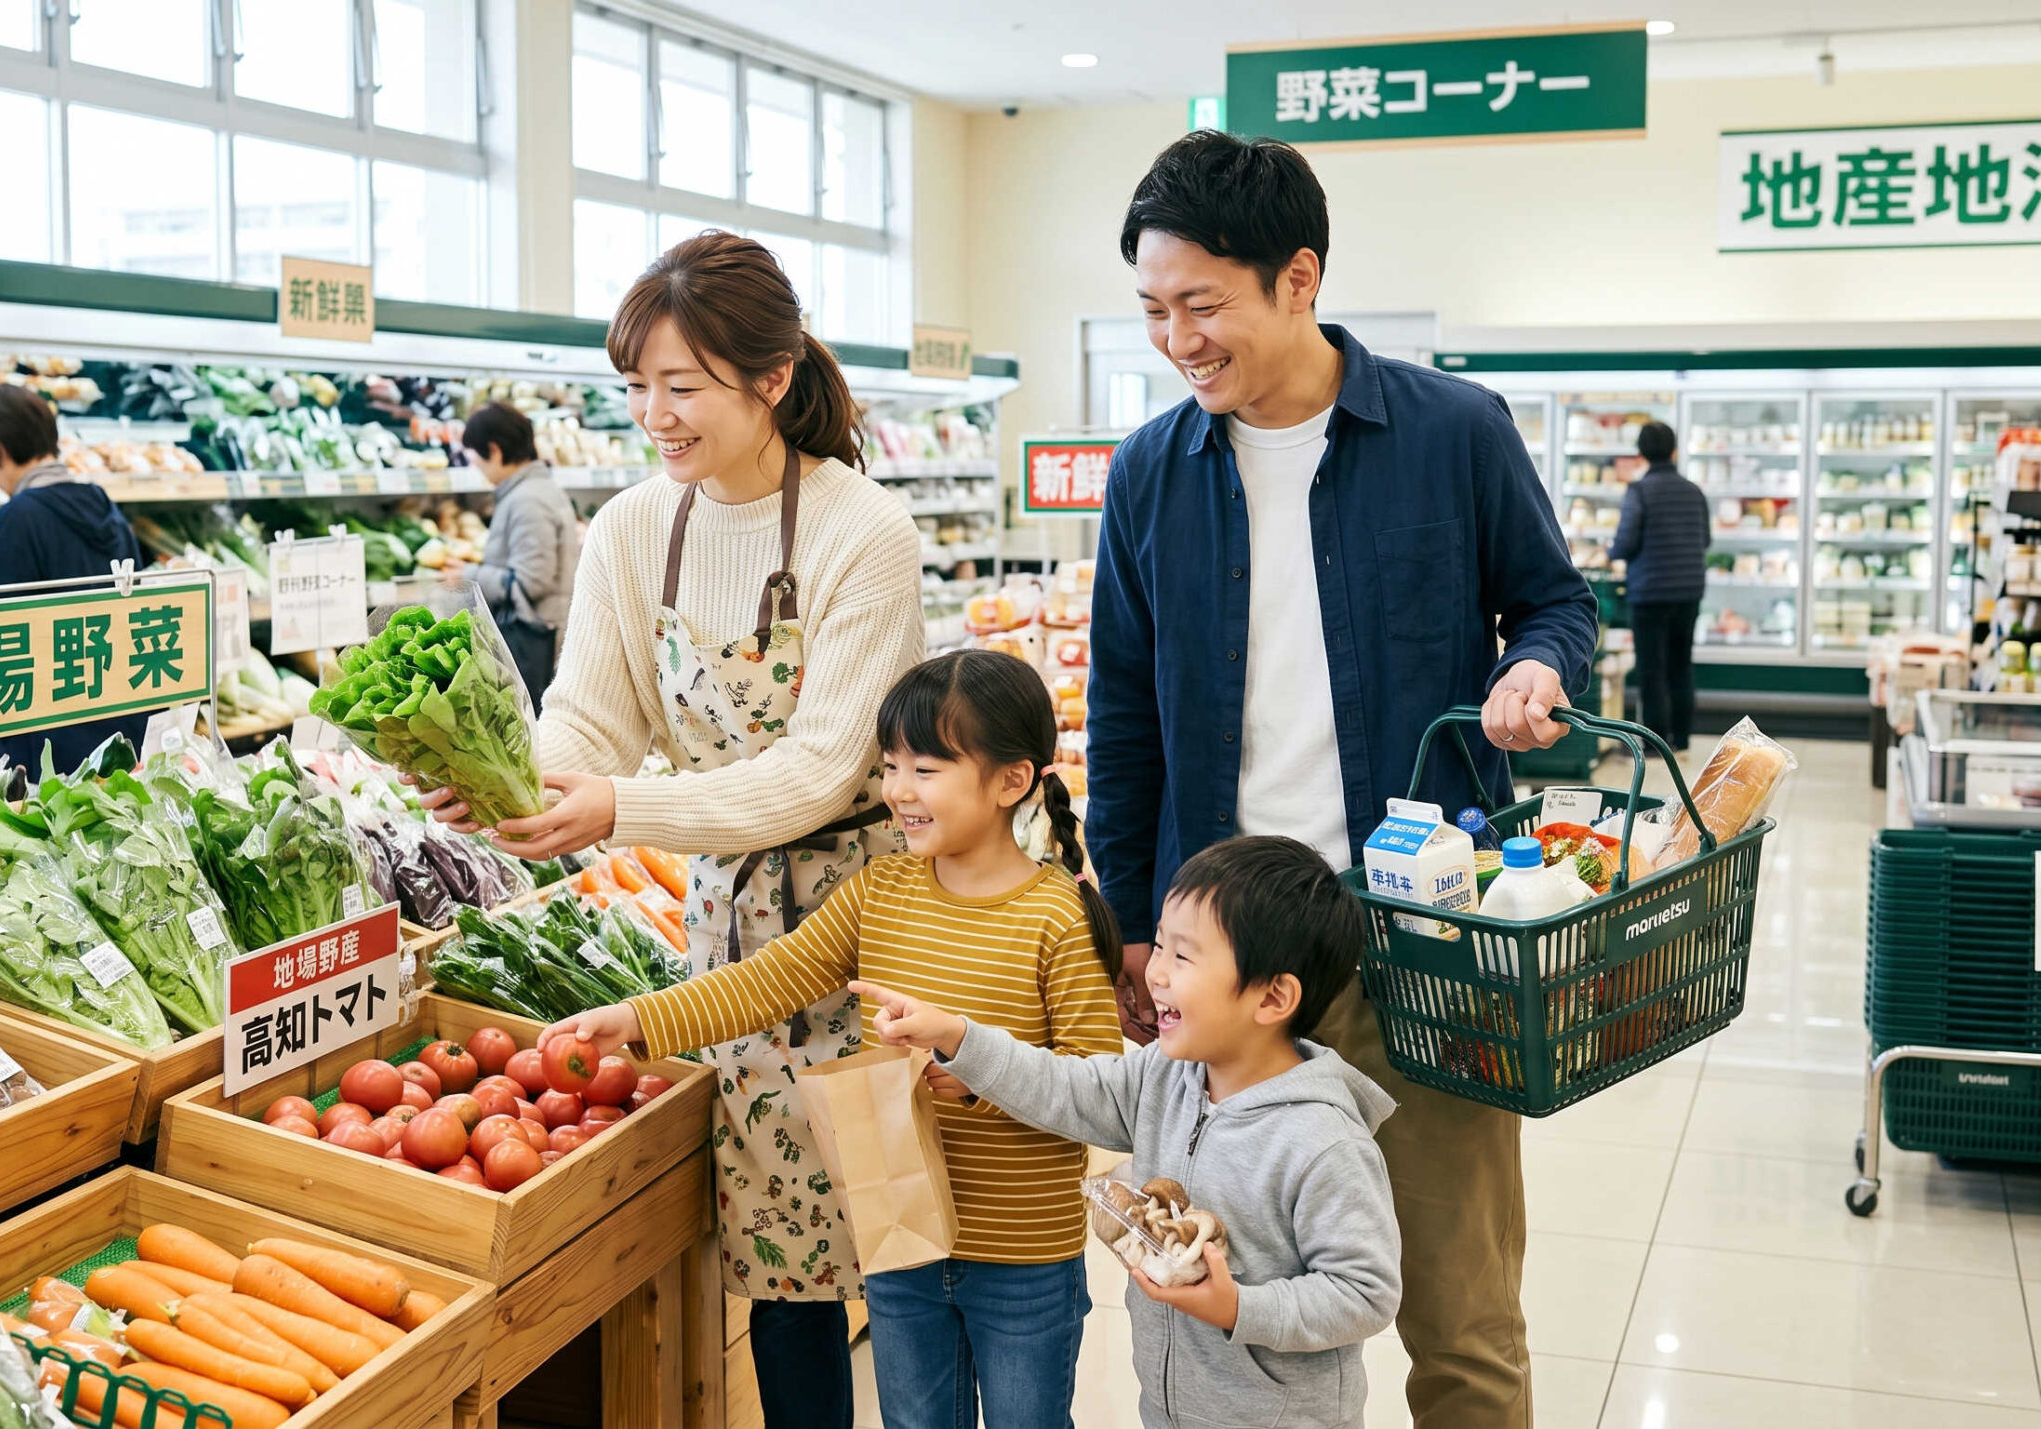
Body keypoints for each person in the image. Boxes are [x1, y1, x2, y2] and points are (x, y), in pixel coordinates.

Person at [1085, 131, 1597, 1428]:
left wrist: (1535, 669)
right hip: (1227, 963)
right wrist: (1132, 933)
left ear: (1298, 278)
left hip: (1423, 939)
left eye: (1203, 304)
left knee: (1459, 1312)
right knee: (1231, 1320)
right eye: (1153, 310)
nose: (1177, 338)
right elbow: (1129, 716)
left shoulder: (1451, 435)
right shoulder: (1150, 473)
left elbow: (1553, 604)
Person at [418, 232, 926, 1427]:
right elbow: (588, 720)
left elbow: (815, 773)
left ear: (773, 377)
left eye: (681, 385)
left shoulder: (865, 532)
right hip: (730, 943)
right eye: (636, 385)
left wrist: (619, 806)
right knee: (780, 1250)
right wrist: (509, 784)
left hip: (864, 920)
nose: (654, 413)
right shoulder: (637, 527)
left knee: (900, 1236)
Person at [547, 649, 1124, 1429]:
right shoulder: (879, 893)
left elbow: (1099, 1093)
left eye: (926, 768)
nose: (897, 791)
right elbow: (763, 981)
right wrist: (641, 1019)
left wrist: (983, 1075)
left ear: (1011, 781)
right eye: (890, 765)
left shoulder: (1057, 917)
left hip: (1023, 1252)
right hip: (900, 1237)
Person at [858, 835, 1401, 1429]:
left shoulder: (1323, 1141)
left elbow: (1364, 1292)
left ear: (1273, 996)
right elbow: (1063, 1088)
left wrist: (1239, 1306)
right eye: (1160, 944)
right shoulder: (1165, 1074)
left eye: (1184, 957)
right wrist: (960, 1036)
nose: (1156, 972)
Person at [0, 384, 148, 781]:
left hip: (47, 745)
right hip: (120, 727)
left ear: (0, 450)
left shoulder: (19, 517)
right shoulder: (103, 505)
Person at [461, 400, 583, 703]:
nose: (475, 464)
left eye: (477, 455)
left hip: (534, 635)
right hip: (543, 630)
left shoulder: (528, 499)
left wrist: (469, 575)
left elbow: (531, 581)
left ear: (495, 450)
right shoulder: (533, 491)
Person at [1607, 420, 1708, 752]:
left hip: (1650, 591)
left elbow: (1625, 543)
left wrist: (1610, 552)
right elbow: (1705, 539)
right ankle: (1682, 737)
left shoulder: (1639, 491)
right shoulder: (1694, 491)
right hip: (1689, 590)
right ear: (1674, 451)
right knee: (1681, 663)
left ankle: (1654, 743)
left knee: (1652, 668)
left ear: (1640, 454)